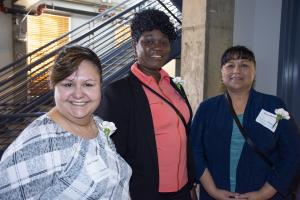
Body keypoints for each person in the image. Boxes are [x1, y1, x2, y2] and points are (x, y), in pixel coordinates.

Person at [0, 45, 132, 199]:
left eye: (88, 84)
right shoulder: (38, 144)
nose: (78, 94)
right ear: (53, 85)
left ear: (100, 86)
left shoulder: (97, 124)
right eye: (68, 84)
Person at [96, 9, 196, 200]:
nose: (157, 47)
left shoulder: (174, 86)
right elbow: (111, 154)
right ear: (135, 44)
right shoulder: (118, 92)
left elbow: (185, 137)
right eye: (148, 41)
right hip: (146, 192)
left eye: (163, 42)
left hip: (183, 190)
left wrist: (191, 183)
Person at [190, 45, 300, 200]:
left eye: (244, 65)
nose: (237, 70)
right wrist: (213, 191)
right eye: (230, 65)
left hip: (267, 195)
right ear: (221, 74)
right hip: (215, 194)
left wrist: (263, 194)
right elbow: (194, 152)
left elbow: (293, 154)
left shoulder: (274, 106)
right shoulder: (206, 109)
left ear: (254, 73)